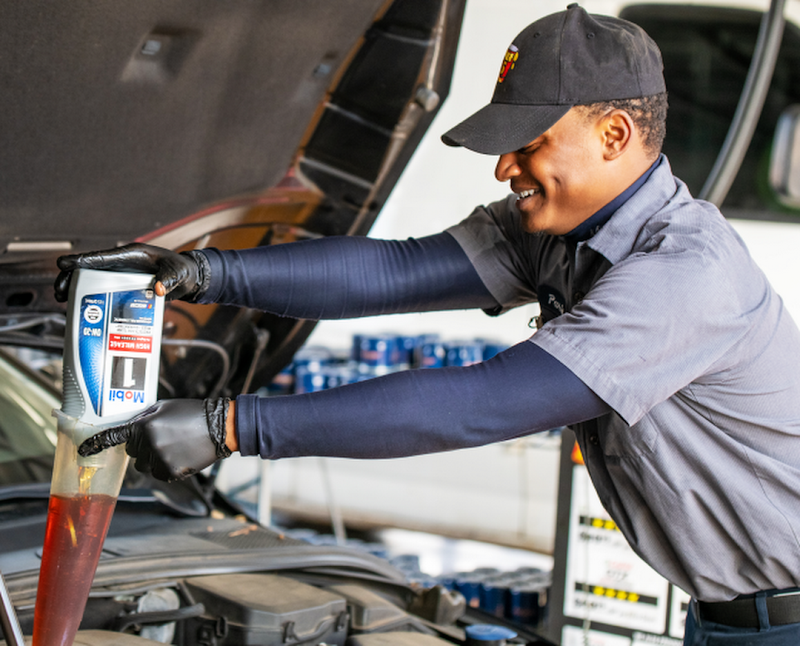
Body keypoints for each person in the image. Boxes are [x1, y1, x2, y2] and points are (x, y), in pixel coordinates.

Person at [54, 5, 800, 645]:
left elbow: (482, 402)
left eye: (531, 142)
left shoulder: (684, 273)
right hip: (727, 617)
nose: (504, 167)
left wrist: (231, 426)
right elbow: (393, 271)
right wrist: (197, 271)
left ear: (613, 135)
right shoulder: (556, 233)